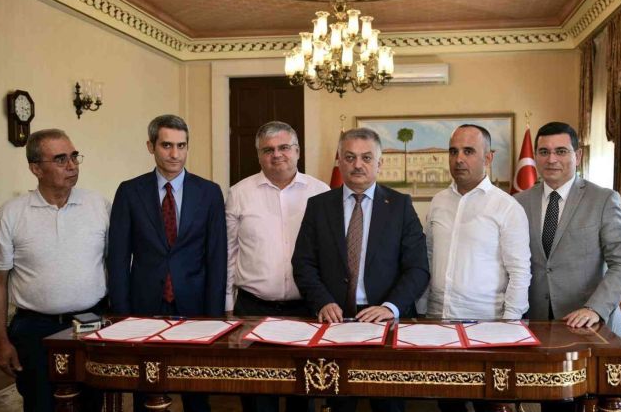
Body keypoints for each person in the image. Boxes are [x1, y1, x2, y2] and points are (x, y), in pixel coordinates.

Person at [293, 128, 429, 412]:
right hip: (335, 322)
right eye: (350, 157)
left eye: (366, 158)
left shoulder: (400, 206)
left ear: (379, 163)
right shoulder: (318, 206)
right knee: (339, 403)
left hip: (385, 323)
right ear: (339, 161)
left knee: (388, 404)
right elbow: (303, 263)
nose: (358, 165)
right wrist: (322, 301)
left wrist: (391, 307)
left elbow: (417, 268)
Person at [107, 114, 226, 412]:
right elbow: (118, 258)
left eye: (181, 146)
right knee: (147, 389)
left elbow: (217, 257)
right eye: (167, 145)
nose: (175, 154)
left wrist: (214, 316)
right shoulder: (129, 191)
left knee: (196, 392)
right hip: (144, 305)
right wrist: (121, 315)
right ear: (151, 146)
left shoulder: (209, 192)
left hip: (195, 307)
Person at [0, 129, 108, 412]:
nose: (72, 165)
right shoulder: (12, 213)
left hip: (90, 324)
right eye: (61, 159)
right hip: (34, 330)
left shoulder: (99, 205)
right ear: (36, 168)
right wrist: (1, 341)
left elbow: (116, 263)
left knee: (91, 404)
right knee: (39, 403)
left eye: (74, 156)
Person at [422, 125, 530, 412]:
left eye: (468, 151)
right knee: (449, 405)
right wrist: (421, 312)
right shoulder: (438, 201)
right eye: (453, 151)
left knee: (489, 405)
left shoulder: (507, 207)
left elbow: (520, 272)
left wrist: (509, 326)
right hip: (440, 323)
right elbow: (428, 257)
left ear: (488, 157)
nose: (459, 159)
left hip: (488, 328)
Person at [226, 121, 328, 412]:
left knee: (303, 394)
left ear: (297, 151)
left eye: (284, 147)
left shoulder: (320, 192)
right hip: (252, 309)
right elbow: (229, 254)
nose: (277, 154)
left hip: (306, 309)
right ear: (259, 155)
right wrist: (227, 306)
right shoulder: (239, 193)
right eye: (268, 150)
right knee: (257, 395)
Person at [514, 122, 621, 337]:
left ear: (578, 156)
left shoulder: (603, 200)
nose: (551, 159)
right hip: (534, 322)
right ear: (535, 157)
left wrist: (595, 308)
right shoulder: (518, 202)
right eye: (544, 152)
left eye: (561, 151)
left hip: (591, 324)